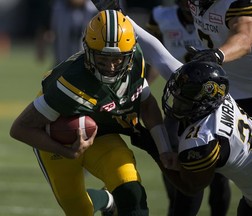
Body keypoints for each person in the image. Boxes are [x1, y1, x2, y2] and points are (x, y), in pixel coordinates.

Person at [10, 9, 171, 216]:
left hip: (101, 135)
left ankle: (113, 200)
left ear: (130, 54)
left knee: (132, 194)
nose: (110, 67)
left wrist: (165, 149)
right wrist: (65, 151)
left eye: (117, 59)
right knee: (79, 210)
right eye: (102, 58)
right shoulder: (70, 83)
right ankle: (104, 200)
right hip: (60, 141)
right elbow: (20, 128)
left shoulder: (136, 62)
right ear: (87, 51)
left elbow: (147, 105)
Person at [161, 60, 252, 216]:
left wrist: (153, 149)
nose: (176, 103)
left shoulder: (203, 137)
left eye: (183, 100)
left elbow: (191, 187)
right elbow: (160, 56)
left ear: (202, 103)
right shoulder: (220, 97)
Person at [146, 1, 230, 215]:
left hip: (211, 105)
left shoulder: (216, 16)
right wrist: (143, 89)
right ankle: (175, 207)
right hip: (179, 102)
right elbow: (156, 58)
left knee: (219, 177)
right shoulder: (161, 17)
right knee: (171, 158)